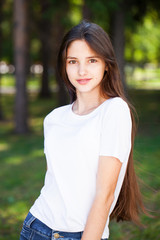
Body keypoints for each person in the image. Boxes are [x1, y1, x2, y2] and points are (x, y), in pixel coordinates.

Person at [20, 20, 145, 240]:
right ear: (64, 65)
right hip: (36, 227)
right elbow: (57, 181)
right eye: (73, 61)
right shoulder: (53, 119)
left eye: (92, 60)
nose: (82, 70)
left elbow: (104, 195)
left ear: (106, 64)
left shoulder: (114, 111)